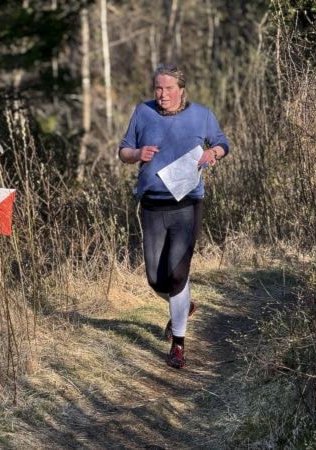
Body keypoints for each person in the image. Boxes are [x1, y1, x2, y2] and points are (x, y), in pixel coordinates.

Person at [118, 64, 229, 369]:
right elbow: (123, 151)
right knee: (156, 279)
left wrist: (212, 154)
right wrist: (137, 154)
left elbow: (222, 143)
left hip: (186, 205)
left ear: (181, 90)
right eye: (158, 88)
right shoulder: (143, 112)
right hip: (152, 205)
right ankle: (183, 304)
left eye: (169, 89)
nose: (163, 94)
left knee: (177, 274)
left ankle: (178, 344)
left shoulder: (201, 115)